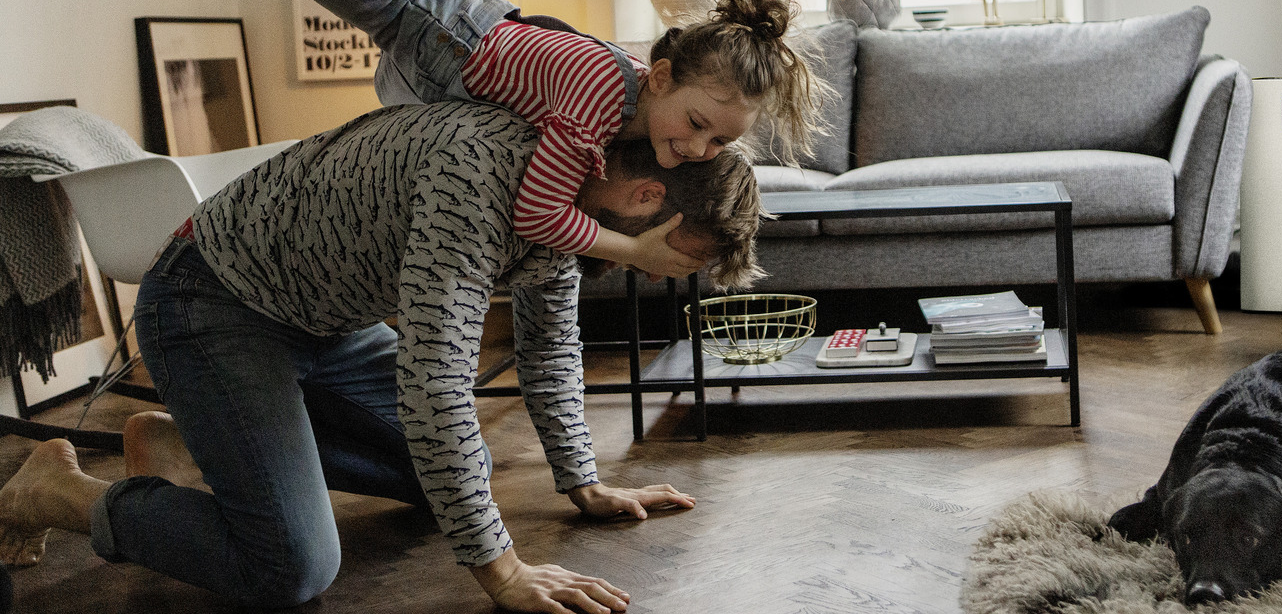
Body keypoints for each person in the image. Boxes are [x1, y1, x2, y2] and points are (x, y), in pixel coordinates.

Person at [0, 99, 765, 613]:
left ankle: (190, 438)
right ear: (643, 202)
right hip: (212, 305)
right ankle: (56, 493)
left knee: (456, 481)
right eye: (681, 257)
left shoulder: (562, 209)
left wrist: (583, 482)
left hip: (324, 323)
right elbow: (438, 386)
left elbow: (549, 346)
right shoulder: (485, 184)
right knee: (292, 569)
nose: (671, 275)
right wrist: (501, 571)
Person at [230, 0, 830, 282]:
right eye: (699, 123)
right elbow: (537, 214)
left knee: (400, 117)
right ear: (662, 76)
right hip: (434, 22)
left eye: (721, 140)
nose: (700, 147)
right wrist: (632, 248)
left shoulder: (631, 115)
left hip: (436, 67)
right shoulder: (600, 96)